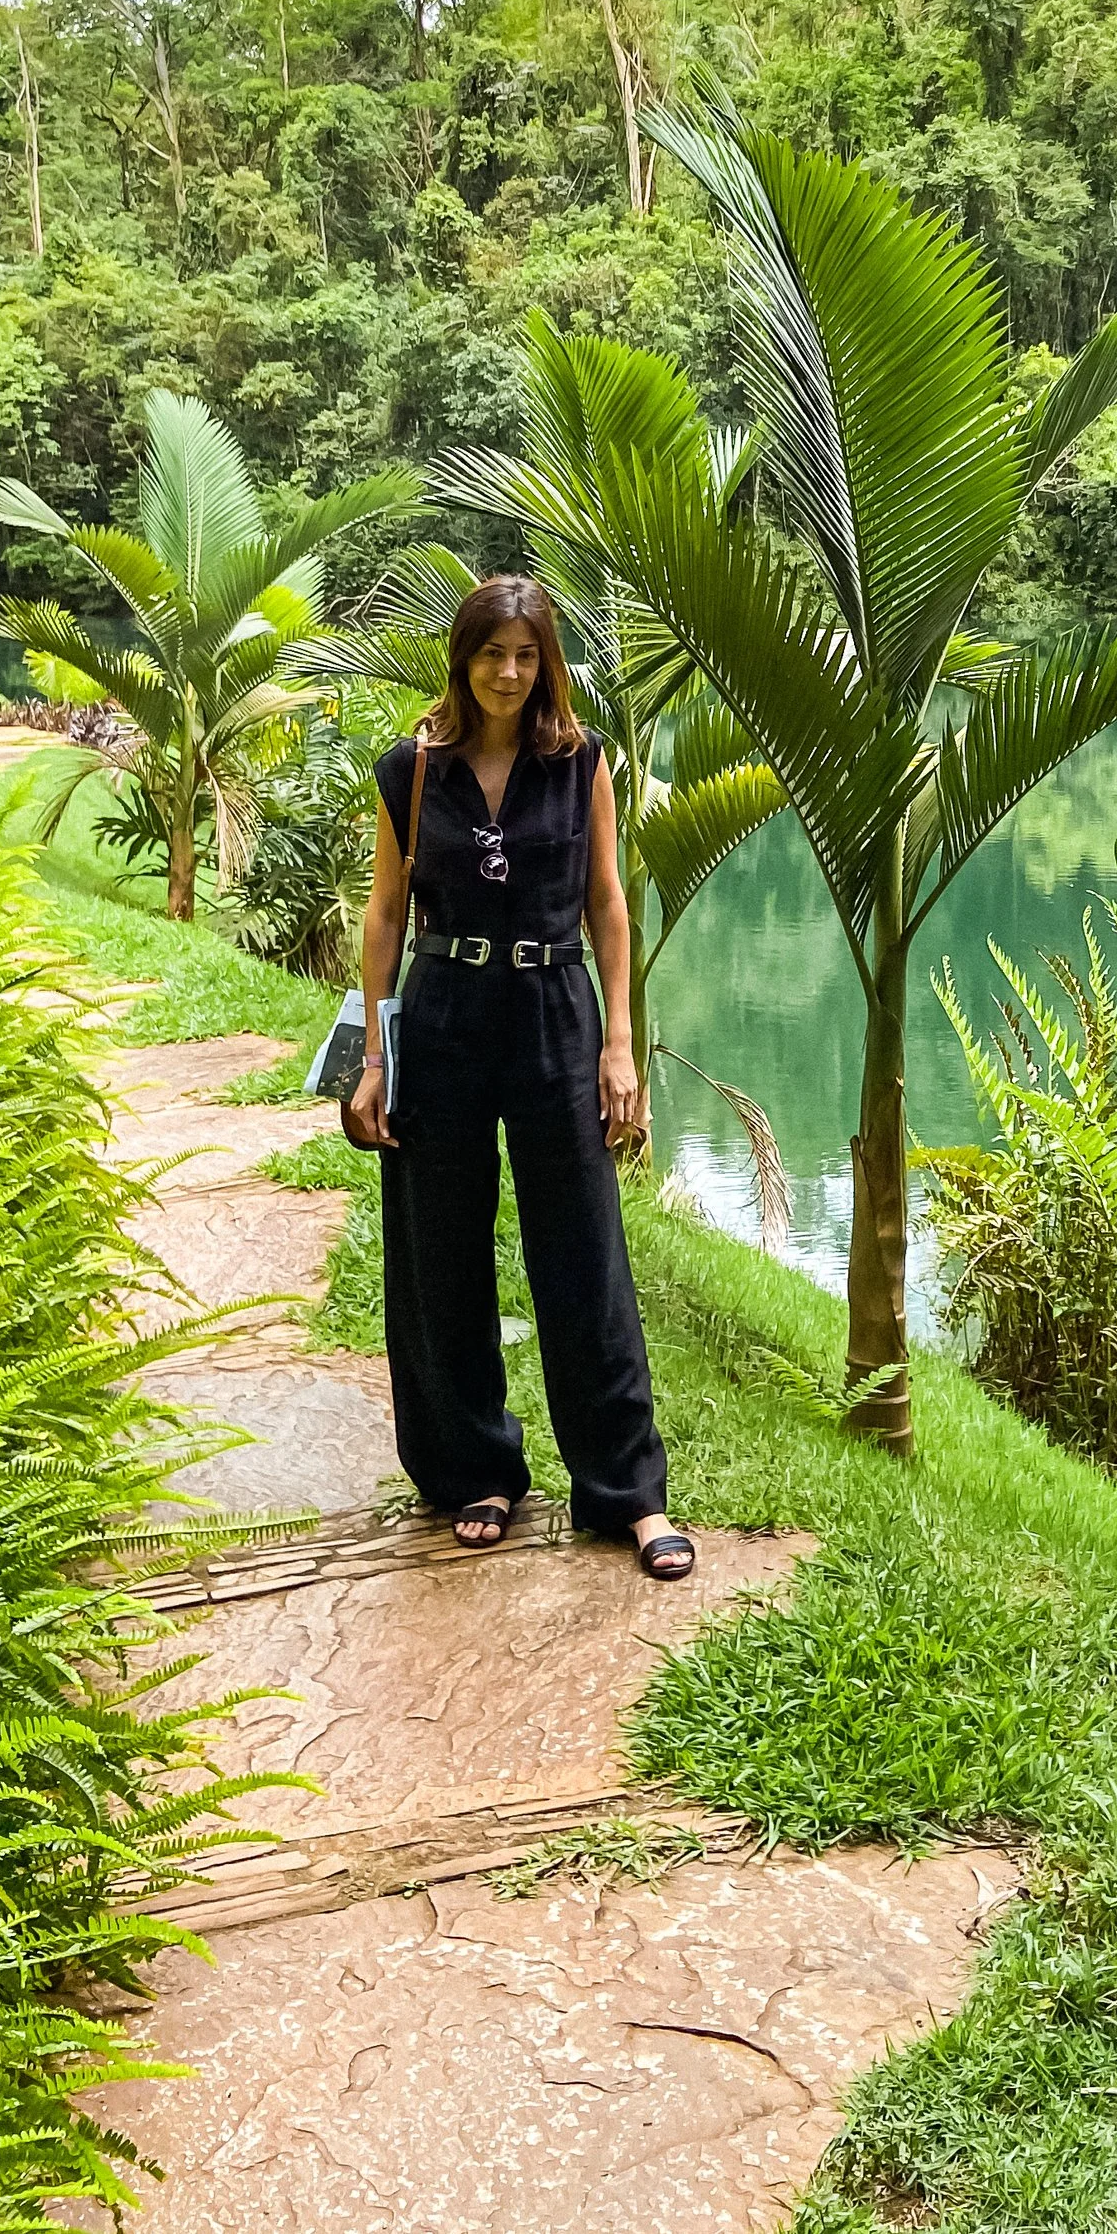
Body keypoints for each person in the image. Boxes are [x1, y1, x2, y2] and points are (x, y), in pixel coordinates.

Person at [341, 573, 695, 1579]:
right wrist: (374, 1055)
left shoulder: (577, 760)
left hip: (554, 1013)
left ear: (547, 665)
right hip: (445, 1009)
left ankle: (626, 1493)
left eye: (526, 655)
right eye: (491, 653)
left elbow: (609, 907)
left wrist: (619, 1043)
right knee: (438, 1249)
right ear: (462, 657)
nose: (507, 672)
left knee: (582, 1250)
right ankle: (474, 1472)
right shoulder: (410, 765)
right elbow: (384, 916)